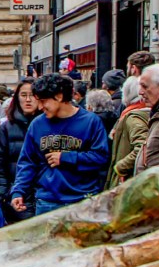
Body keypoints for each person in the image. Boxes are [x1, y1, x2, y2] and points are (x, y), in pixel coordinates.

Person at [9, 72, 109, 217]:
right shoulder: (37, 124)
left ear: (59, 96)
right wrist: (18, 191)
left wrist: (65, 158)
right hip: (47, 201)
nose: (40, 107)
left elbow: (101, 157)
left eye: (43, 101)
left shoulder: (91, 122)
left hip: (83, 200)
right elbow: (27, 162)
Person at [0, 79, 39, 226]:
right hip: (16, 197)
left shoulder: (47, 125)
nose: (28, 100)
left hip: (42, 195)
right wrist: (5, 193)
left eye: (32, 95)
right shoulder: (7, 128)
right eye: (23, 95)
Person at [106, 74, 151, 188]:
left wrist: (120, 167)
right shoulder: (134, 113)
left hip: (128, 179)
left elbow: (141, 147)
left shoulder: (133, 117)